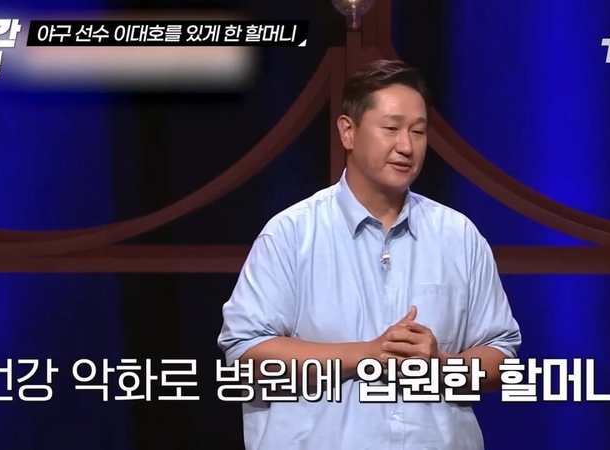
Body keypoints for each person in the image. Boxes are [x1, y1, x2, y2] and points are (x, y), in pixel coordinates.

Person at [217, 59, 521, 450]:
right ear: (348, 131)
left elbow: (501, 356)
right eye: (391, 129)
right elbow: (245, 355)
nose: (406, 146)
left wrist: (441, 365)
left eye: (418, 131)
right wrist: (366, 354)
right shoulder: (291, 235)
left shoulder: (458, 236)